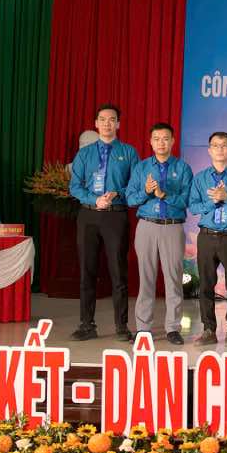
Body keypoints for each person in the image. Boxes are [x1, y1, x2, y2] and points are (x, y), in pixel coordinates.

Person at [68, 104, 139, 341]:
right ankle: (86, 324)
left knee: (118, 271)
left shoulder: (128, 152)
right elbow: (75, 186)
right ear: (96, 123)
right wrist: (93, 199)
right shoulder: (85, 154)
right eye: (102, 119)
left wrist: (116, 193)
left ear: (118, 124)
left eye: (112, 120)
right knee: (87, 271)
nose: (107, 124)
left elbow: (135, 186)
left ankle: (121, 326)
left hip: (115, 215)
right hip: (88, 215)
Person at [126, 122, 193, 345]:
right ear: (151, 142)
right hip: (146, 226)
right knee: (146, 277)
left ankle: (173, 327)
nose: (161, 142)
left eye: (166, 138)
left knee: (173, 279)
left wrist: (164, 194)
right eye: (157, 138)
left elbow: (187, 201)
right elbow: (130, 198)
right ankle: (143, 328)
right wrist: (146, 192)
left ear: (173, 141)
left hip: (173, 227)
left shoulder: (183, 168)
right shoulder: (142, 168)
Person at [188, 131, 227, 347]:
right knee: (206, 284)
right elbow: (193, 206)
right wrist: (212, 202)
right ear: (209, 149)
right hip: (207, 236)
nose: (220, 149)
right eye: (216, 145)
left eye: (224, 145)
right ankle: (208, 329)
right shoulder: (200, 178)